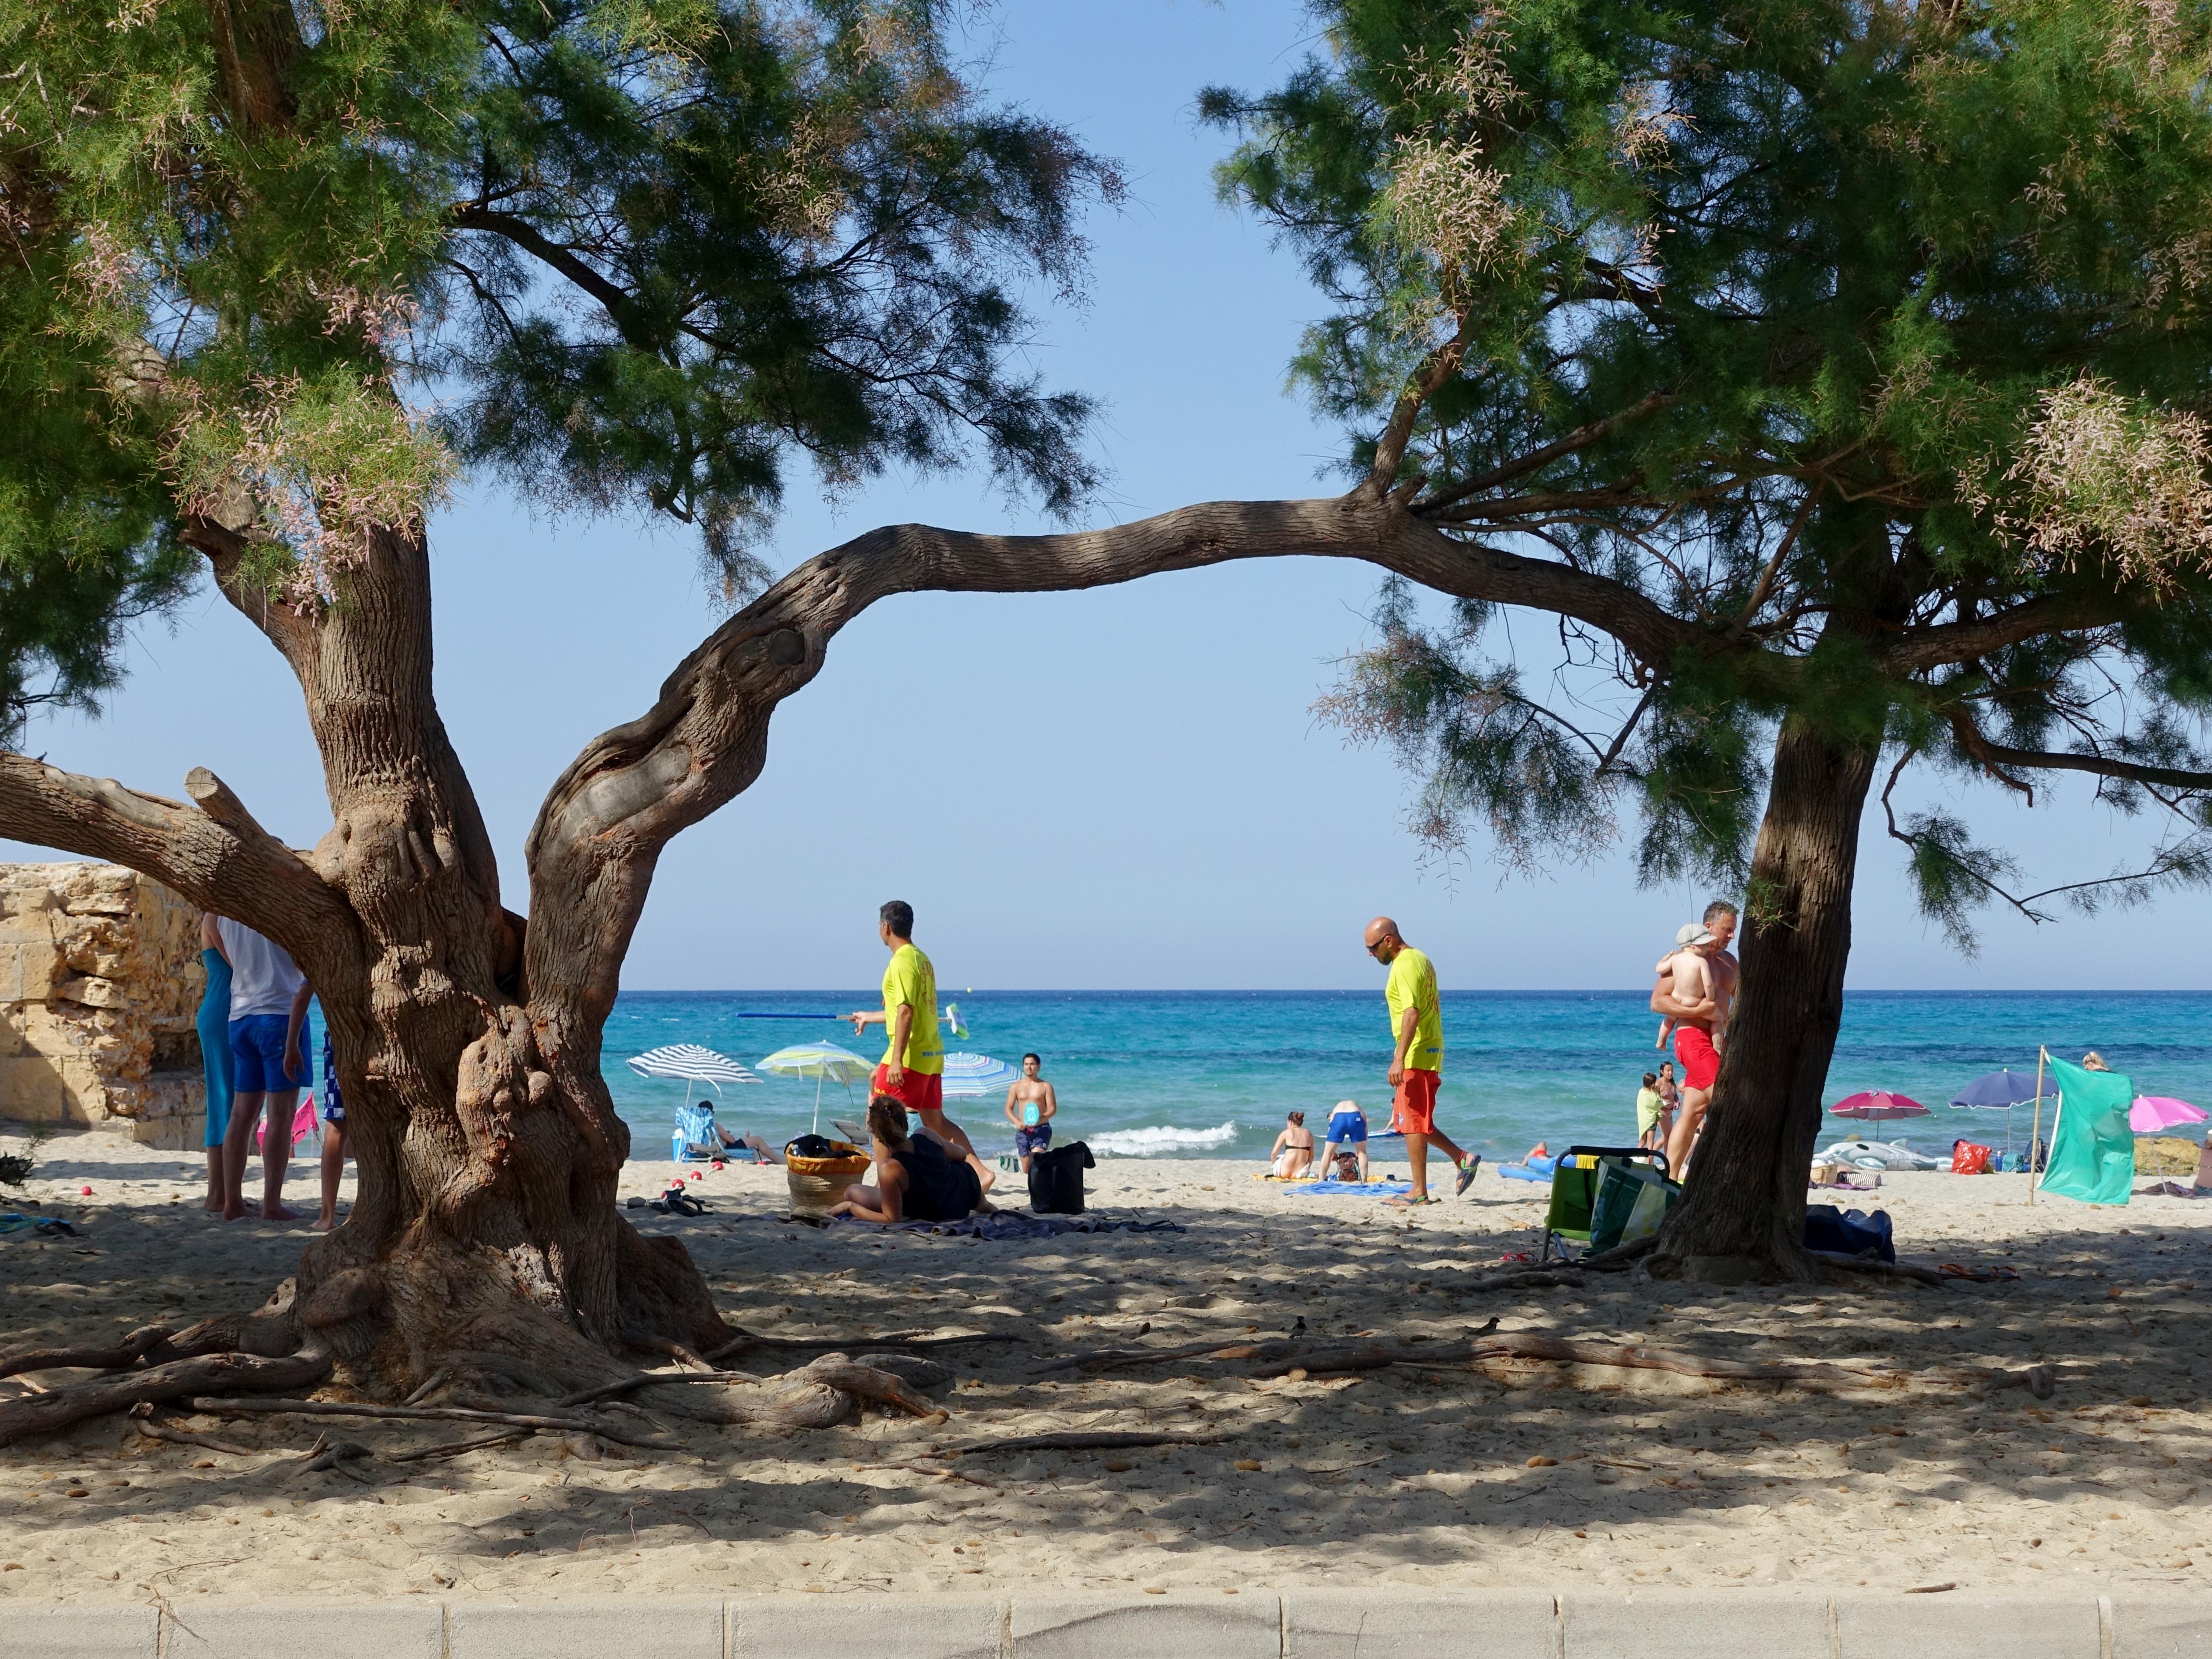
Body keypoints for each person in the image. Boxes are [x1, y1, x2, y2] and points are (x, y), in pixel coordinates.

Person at [848, 900, 992, 1193]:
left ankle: (884, 1184)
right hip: (931, 1054)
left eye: (879, 925)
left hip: (910, 1057)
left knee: (879, 1116)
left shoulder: (900, 962)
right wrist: (868, 1017)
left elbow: (906, 1012)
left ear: (886, 927)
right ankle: (981, 1171)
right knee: (936, 1121)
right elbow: (907, 1011)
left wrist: (898, 1060)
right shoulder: (922, 959)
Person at [1362, 916, 1479, 1205]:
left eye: (1373, 948)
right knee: (1415, 1121)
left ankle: (1418, 1191)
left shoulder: (1403, 965)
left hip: (1416, 1053)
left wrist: (1399, 1058)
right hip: (1430, 1049)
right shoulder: (1421, 958)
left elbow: (1412, 1013)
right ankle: (1462, 1158)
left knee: (1412, 1124)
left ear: (1388, 940)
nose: (1370, 954)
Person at [215, 917, 311, 1222]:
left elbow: (226, 952)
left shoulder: (223, 913)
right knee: (281, 1116)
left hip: (240, 1015)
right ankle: (272, 1204)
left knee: (241, 1114)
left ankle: (233, 1202)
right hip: (281, 1013)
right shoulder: (278, 905)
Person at [1651, 900, 1738, 1178]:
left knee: (1692, 1114)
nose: (1732, 936)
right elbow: (1657, 1002)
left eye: (1734, 930)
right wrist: (1696, 1010)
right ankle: (1716, 1174)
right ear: (1709, 926)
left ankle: (1670, 1178)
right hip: (1692, 1038)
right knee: (1729, 1101)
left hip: (1717, 1042)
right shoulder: (1684, 960)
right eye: (1727, 929)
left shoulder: (1730, 962)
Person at [830, 1093, 992, 1224]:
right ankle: (987, 1207)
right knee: (959, 1176)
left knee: (852, 1191)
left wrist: (850, 1207)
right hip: (965, 1194)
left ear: (878, 1137)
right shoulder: (925, 1135)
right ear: (906, 1123)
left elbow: (891, 1219)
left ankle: (983, 1205)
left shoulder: (890, 1168)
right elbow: (962, 1155)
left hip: (937, 1212)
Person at [194, 912, 234, 1213]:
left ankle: (225, 1192)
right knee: (224, 1103)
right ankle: (217, 1194)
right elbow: (238, 965)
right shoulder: (214, 917)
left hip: (225, 1010)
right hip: (223, 1012)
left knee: (228, 1104)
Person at [314, 1014, 347, 1232]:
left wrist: (292, 1042)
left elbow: (305, 992)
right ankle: (327, 1214)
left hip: (339, 1032)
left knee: (336, 1125)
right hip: (379, 1035)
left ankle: (327, 1215)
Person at [1002, 1052, 1057, 1174]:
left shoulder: (1046, 1086)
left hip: (1041, 1129)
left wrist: (1040, 1119)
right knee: (1027, 1169)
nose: (1029, 1067)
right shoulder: (1016, 1087)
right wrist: (1017, 1122)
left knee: (1037, 1160)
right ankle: (1034, 1188)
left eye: (1032, 1064)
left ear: (1039, 1066)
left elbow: (1053, 1109)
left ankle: (1042, 1188)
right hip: (1023, 1130)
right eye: (1026, 1064)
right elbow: (1008, 1109)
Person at [1318, 1099, 1370, 1181]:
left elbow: (1331, 1125)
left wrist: (1332, 1148)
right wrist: (1366, 1137)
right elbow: (1364, 1121)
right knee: (1362, 1153)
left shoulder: (1336, 1109)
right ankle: (1364, 1181)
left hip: (1339, 1118)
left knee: (1328, 1153)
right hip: (1355, 1116)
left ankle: (1321, 1180)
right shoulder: (1357, 1106)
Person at [1269, 1111, 1315, 1178]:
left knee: (1280, 1157)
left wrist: (1274, 1166)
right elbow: (1311, 1157)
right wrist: (1307, 1170)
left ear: (1290, 1122)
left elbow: (1274, 1154)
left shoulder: (1286, 1133)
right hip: (1300, 1173)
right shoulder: (1309, 1134)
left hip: (1284, 1172)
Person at [1635, 1071, 1666, 1151]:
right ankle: (1650, 1161)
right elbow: (1657, 1105)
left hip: (1643, 1122)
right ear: (1652, 1084)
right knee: (1650, 1143)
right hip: (1651, 1121)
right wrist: (1666, 1104)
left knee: (1642, 1142)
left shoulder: (1641, 1092)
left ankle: (1634, 1158)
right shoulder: (1652, 1094)